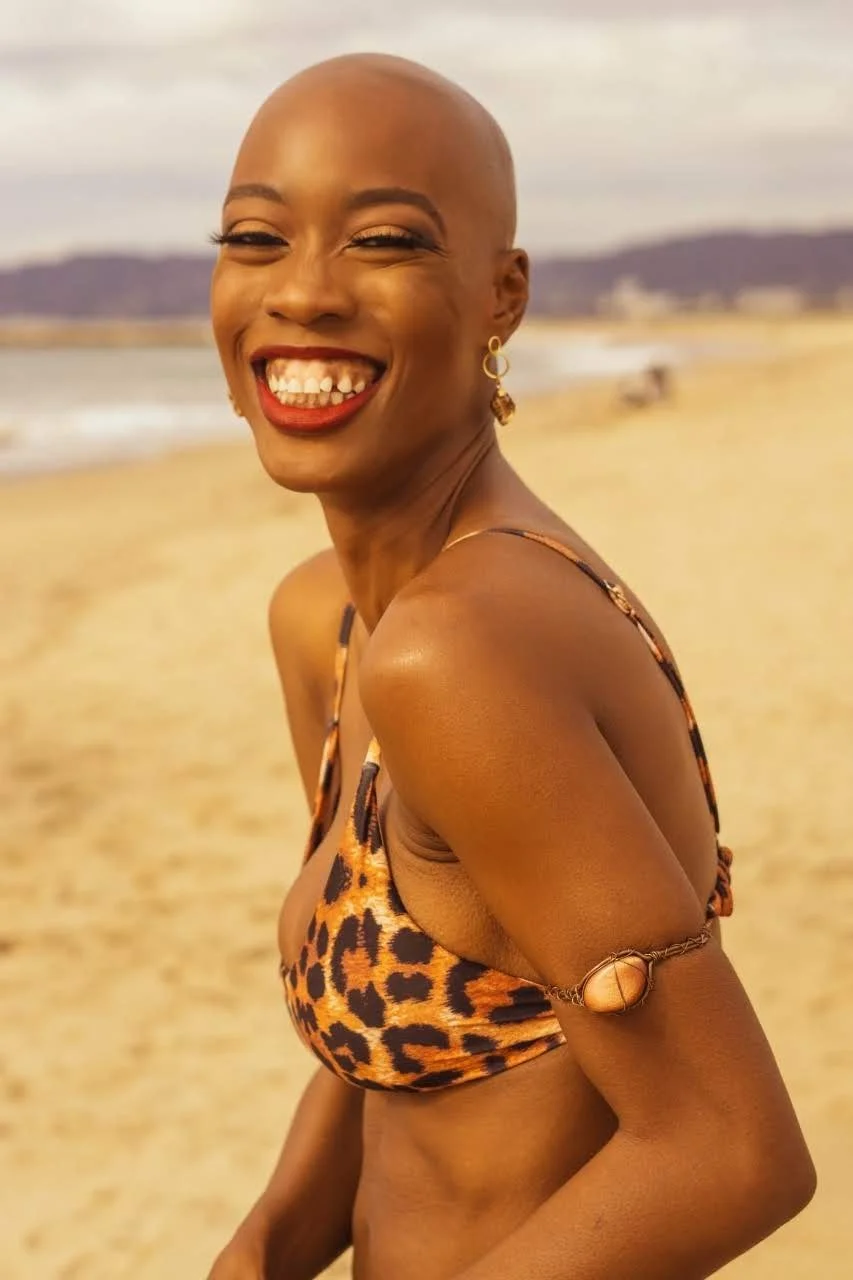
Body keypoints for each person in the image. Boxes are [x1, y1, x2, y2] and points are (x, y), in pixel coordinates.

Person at [207, 52, 814, 1280]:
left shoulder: (462, 651)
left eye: (385, 240)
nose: (303, 293)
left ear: (502, 295)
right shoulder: (330, 622)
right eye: (256, 238)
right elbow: (380, 1039)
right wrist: (267, 1241)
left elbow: (732, 1147)